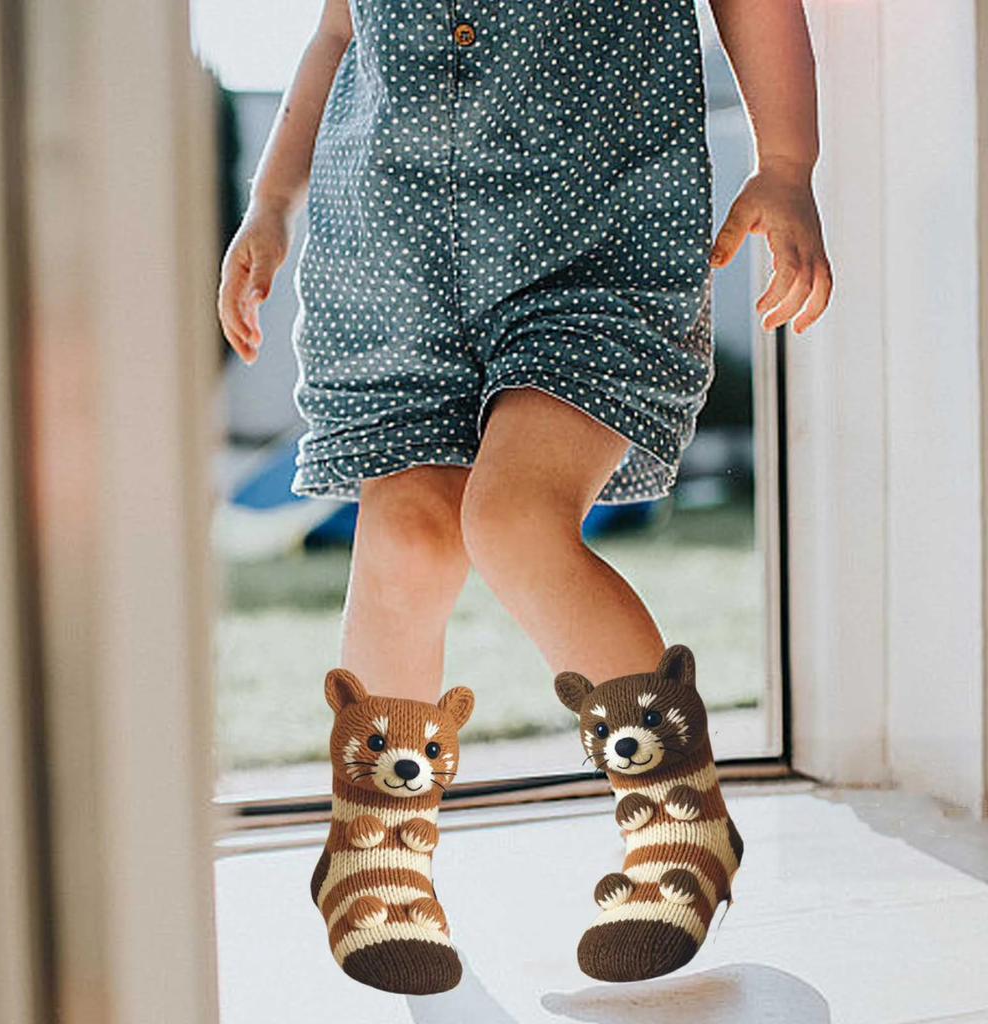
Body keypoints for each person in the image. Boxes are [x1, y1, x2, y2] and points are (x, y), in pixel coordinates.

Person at [217, 0, 832, 994]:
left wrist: (788, 165)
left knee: (511, 519)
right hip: (394, 265)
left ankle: (678, 815)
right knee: (408, 541)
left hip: (593, 253)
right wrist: (273, 202)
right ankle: (378, 849)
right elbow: (338, 32)